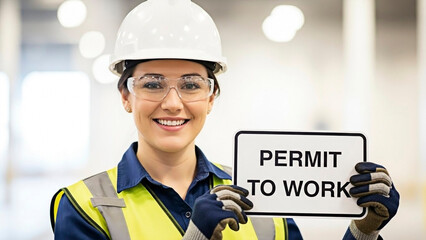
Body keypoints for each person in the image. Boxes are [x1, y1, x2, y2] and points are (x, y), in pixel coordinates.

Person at [50, 0, 400, 239]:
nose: (172, 103)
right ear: (126, 96)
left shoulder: (263, 192)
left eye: (191, 85)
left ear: (211, 97)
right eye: (153, 84)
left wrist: (365, 229)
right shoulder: (86, 206)